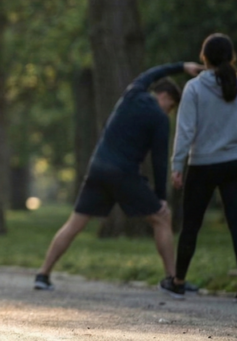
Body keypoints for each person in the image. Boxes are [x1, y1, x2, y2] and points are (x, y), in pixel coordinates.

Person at [33, 61, 204, 298]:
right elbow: (159, 161)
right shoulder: (159, 119)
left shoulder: (133, 92)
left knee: (74, 224)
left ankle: (43, 274)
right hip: (123, 174)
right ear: (163, 96)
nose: (169, 111)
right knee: (162, 218)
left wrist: (181, 67)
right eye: (171, 105)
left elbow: (150, 72)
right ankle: (173, 280)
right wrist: (161, 198)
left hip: (98, 167)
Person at [171, 34, 237, 302]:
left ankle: (178, 281)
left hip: (203, 164)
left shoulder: (194, 89)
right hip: (236, 163)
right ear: (231, 57)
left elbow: (185, 131)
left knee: (191, 224)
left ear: (204, 57)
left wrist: (177, 164)